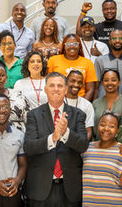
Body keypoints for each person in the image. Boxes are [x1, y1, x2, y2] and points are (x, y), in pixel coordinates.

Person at [24, 72, 89, 206]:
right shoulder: (33, 115)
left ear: (66, 90)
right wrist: (52, 138)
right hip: (40, 189)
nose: (56, 89)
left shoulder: (78, 115)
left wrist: (66, 133)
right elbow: (29, 147)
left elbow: (83, 145)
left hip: (69, 189)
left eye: (60, 85)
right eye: (51, 85)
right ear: (45, 89)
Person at [82, 112, 122, 206]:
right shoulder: (86, 148)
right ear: (97, 126)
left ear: (117, 130)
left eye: (111, 126)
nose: (106, 129)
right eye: (102, 125)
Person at [47, 33, 98, 101]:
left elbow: (90, 89)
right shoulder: (53, 60)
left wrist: (81, 106)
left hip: (80, 101)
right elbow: (48, 85)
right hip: (57, 100)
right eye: (68, 44)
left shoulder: (88, 63)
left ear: (79, 46)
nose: (72, 47)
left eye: (75, 44)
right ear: (64, 46)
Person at [94, 29, 122, 98]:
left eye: (121, 38)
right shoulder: (100, 60)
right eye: (114, 38)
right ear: (109, 41)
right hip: (104, 102)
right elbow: (96, 86)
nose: (117, 41)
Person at [92, 69, 122, 140]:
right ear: (102, 83)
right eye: (106, 80)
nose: (110, 83)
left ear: (119, 82)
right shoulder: (95, 103)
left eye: (113, 80)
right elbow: (92, 128)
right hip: (98, 146)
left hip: (120, 146)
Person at [65, 70, 95, 141]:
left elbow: (89, 131)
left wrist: (80, 147)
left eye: (80, 82)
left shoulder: (87, 105)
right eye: (73, 81)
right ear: (66, 81)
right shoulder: (58, 101)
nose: (76, 85)